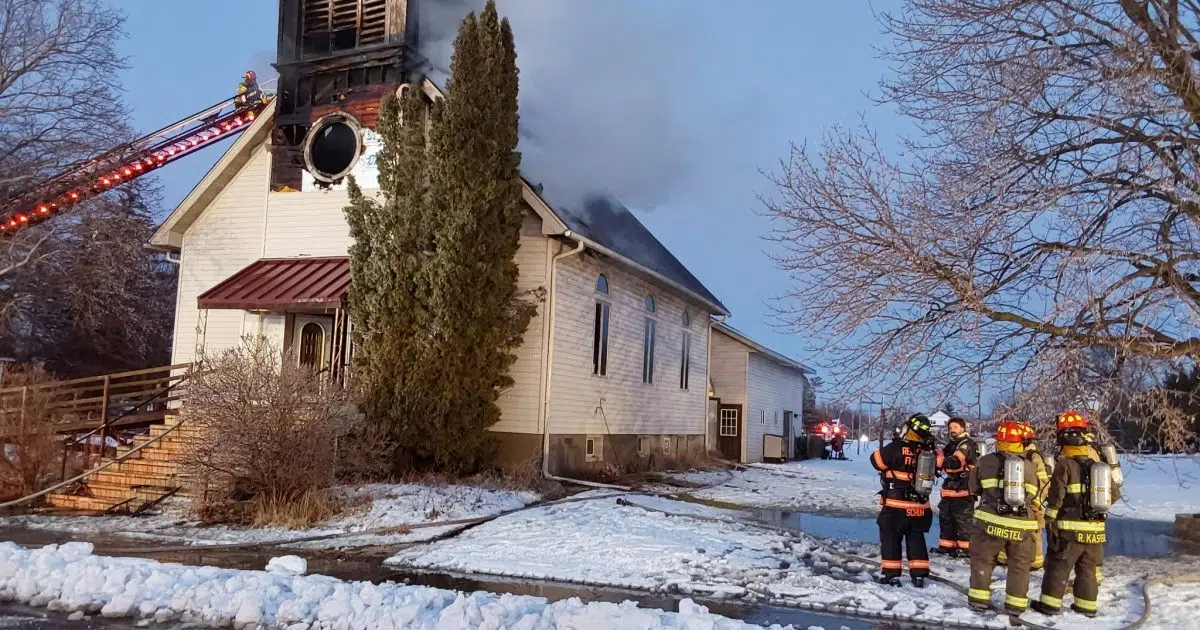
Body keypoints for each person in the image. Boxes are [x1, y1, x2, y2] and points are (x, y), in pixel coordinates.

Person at [1032, 411, 1119, 618]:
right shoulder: (1099, 466)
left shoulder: (1065, 465)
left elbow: (1056, 496)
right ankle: (1086, 607)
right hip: (1096, 529)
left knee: (1058, 566)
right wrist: (1093, 509)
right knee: (1087, 569)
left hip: (1070, 530)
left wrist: (1051, 518)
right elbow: (1114, 494)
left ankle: (1049, 606)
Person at [967, 421, 1043, 616]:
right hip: (1021, 524)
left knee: (983, 560)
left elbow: (974, 489)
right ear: (1021, 442)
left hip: (990, 521)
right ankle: (1016, 606)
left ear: (998, 440)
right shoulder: (1028, 465)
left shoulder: (985, 461)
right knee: (1020, 565)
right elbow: (1034, 493)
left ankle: (978, 601)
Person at [870, 414, 937, 587]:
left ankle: (891, 575)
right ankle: (919, 575)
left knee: (891, 538)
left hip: (896, 506)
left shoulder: (897, 447)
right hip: (920, 507)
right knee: (916, 539)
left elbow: (876, 461)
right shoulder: (928, 451)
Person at [998, 422, 1049, 570]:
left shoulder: (1034, 457)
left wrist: (1036, 502)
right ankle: (1004, 558)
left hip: (1032, 501)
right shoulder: (1017, 456)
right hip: (1015, 497)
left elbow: (1043, 482)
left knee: (1034, 532)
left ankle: (1035, 561)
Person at [932, 417, 976, 557]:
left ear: (963, 428)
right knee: (946, 518)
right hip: (950, 488)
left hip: (963, 488)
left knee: (963, 520)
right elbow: (942, 457)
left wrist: (937, 460)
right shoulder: (951, 445)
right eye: (950, 428)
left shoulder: (966, 444)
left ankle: (965, 550)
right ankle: (947, 547)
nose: (952, 431)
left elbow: (955, 462)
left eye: (955, 427)